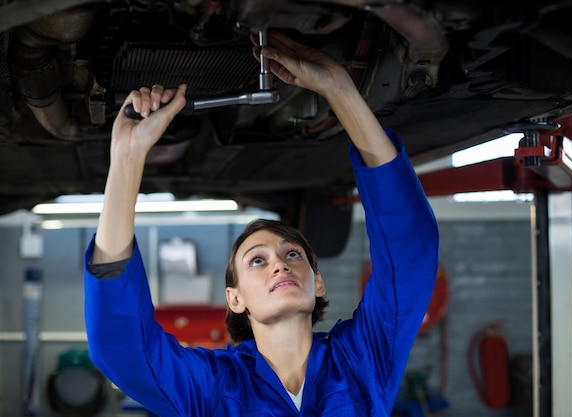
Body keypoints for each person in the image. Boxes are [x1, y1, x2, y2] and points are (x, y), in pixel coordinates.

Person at [84, 31, 439, 416]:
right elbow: (124, 348)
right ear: (235, 300)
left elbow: (408, 254)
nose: (279, 263)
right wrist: (126, 158)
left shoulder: (363, 361)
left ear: (317, 283)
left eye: (292, 254)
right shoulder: (214, 386)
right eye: (257, 260)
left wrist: (339, 89)